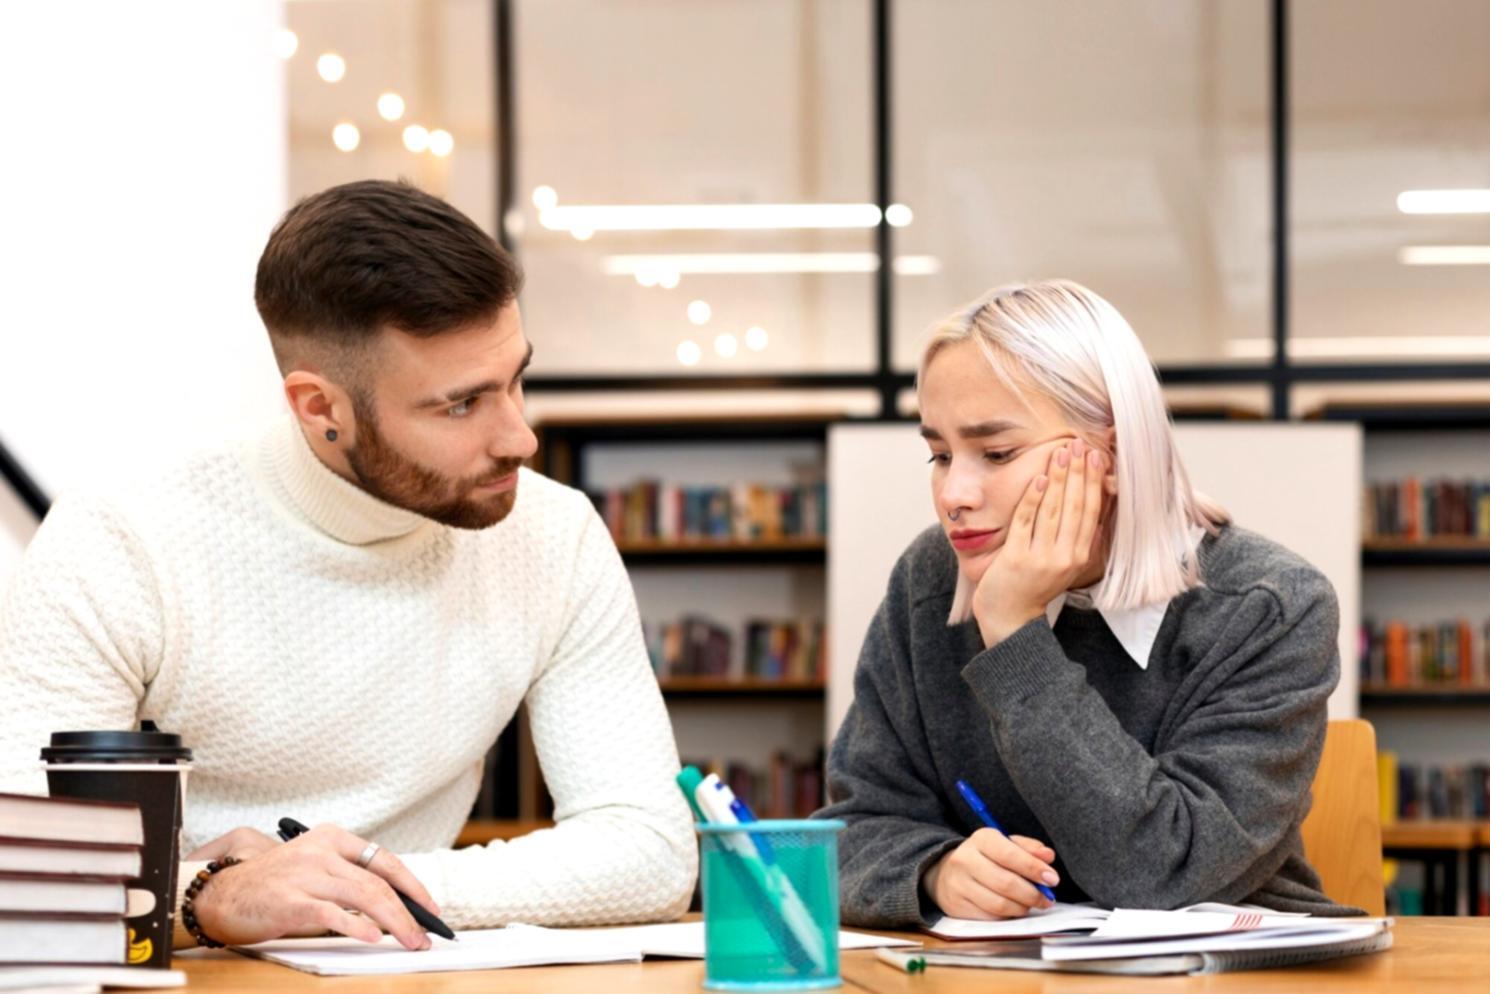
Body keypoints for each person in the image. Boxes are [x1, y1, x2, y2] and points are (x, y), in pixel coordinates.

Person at [0, 180, 696, 949]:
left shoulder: (553, 534)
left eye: (515, 379)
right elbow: (25, 872)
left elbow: (651, 852)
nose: (520, 438)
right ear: (320, 408)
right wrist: (209, 899)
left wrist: (353, 890)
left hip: (407, 964)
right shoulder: (121, 538)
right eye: (462, 404)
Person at [818, 279, 1351, 927]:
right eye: (938, 453)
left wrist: (1014, 632)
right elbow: (848, 831)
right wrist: (934, 870)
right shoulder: (928, 582)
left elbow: (1160, 871)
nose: (953, 493)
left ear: (1114, 454)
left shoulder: (1270, 606)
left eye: (996, 453)